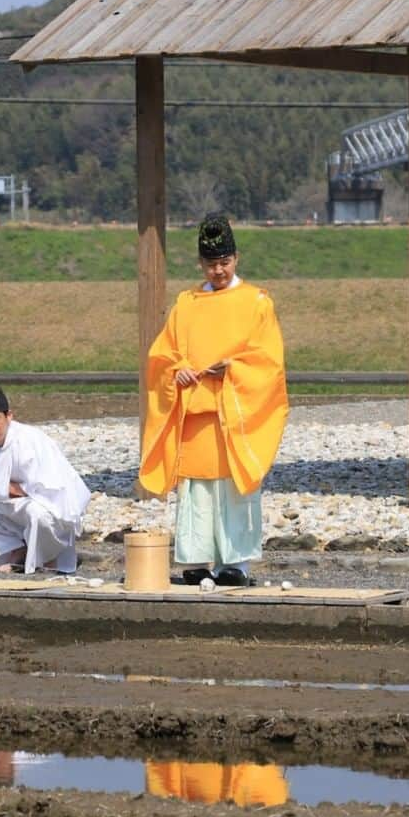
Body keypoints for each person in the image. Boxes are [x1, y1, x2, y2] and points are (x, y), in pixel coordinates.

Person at [139, 213, 288, 586]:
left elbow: (268, 360)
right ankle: (195, 561)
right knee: (196, 490)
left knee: (233, 485)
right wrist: (180, 369)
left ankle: (235, 563)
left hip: (234, 413)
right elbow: (163, 355)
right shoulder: (186, 304)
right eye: (211, 264)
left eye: (224, 262)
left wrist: (234, 368)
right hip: (196, 414)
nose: (218, 270)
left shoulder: (256, 302)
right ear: (200, 264)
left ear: (236, 259)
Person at [0, 381, 90, 574]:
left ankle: (46, 557)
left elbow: (56, 494)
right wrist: (0, 488)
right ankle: (16, 550)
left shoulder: (31, 441)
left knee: (37, 513)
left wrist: (15, 490)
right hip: (4, 507)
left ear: (9, 416)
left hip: (35, 506)